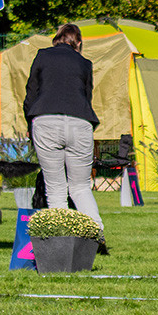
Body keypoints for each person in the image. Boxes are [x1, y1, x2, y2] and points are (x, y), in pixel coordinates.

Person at [24, 24, 106, 249]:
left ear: (56, 39)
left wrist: (30, 126)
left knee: (56, 188)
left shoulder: (42, 56)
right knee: (80, 187)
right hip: (80, 122)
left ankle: (60, 241)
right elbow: (87, 97)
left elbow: (31, 93)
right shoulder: (85, 63)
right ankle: (96, 234)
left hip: (45, 120)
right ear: (78, 42)